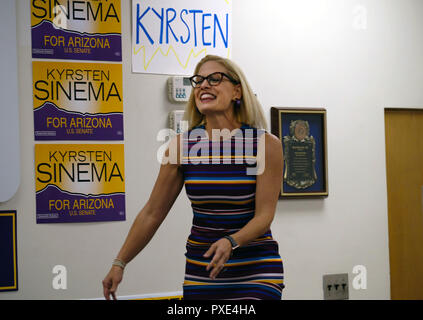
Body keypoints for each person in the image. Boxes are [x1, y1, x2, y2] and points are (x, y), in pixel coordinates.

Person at [102, 55, 285, 300]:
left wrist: (232, 241)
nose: (203, 85)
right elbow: (152, 213)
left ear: (237, 92)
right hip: (204, 269)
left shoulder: (265, 144)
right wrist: (119, 262)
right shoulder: (181, 147)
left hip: (257, 269)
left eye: (215, 79)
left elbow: (265, 215)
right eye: (198, 80)